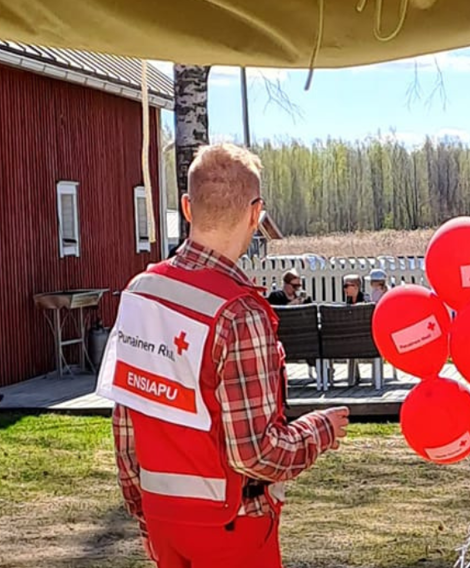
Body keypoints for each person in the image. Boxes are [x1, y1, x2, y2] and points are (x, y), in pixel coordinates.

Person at [102, 143, 349, 568]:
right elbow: (256, 454)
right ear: (256, 214)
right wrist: (320, 430)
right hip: (234, 526)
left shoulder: (141, 293)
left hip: (165, 519)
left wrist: (145, 515)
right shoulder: (239, 313)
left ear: (187, 207)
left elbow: (126, 425)